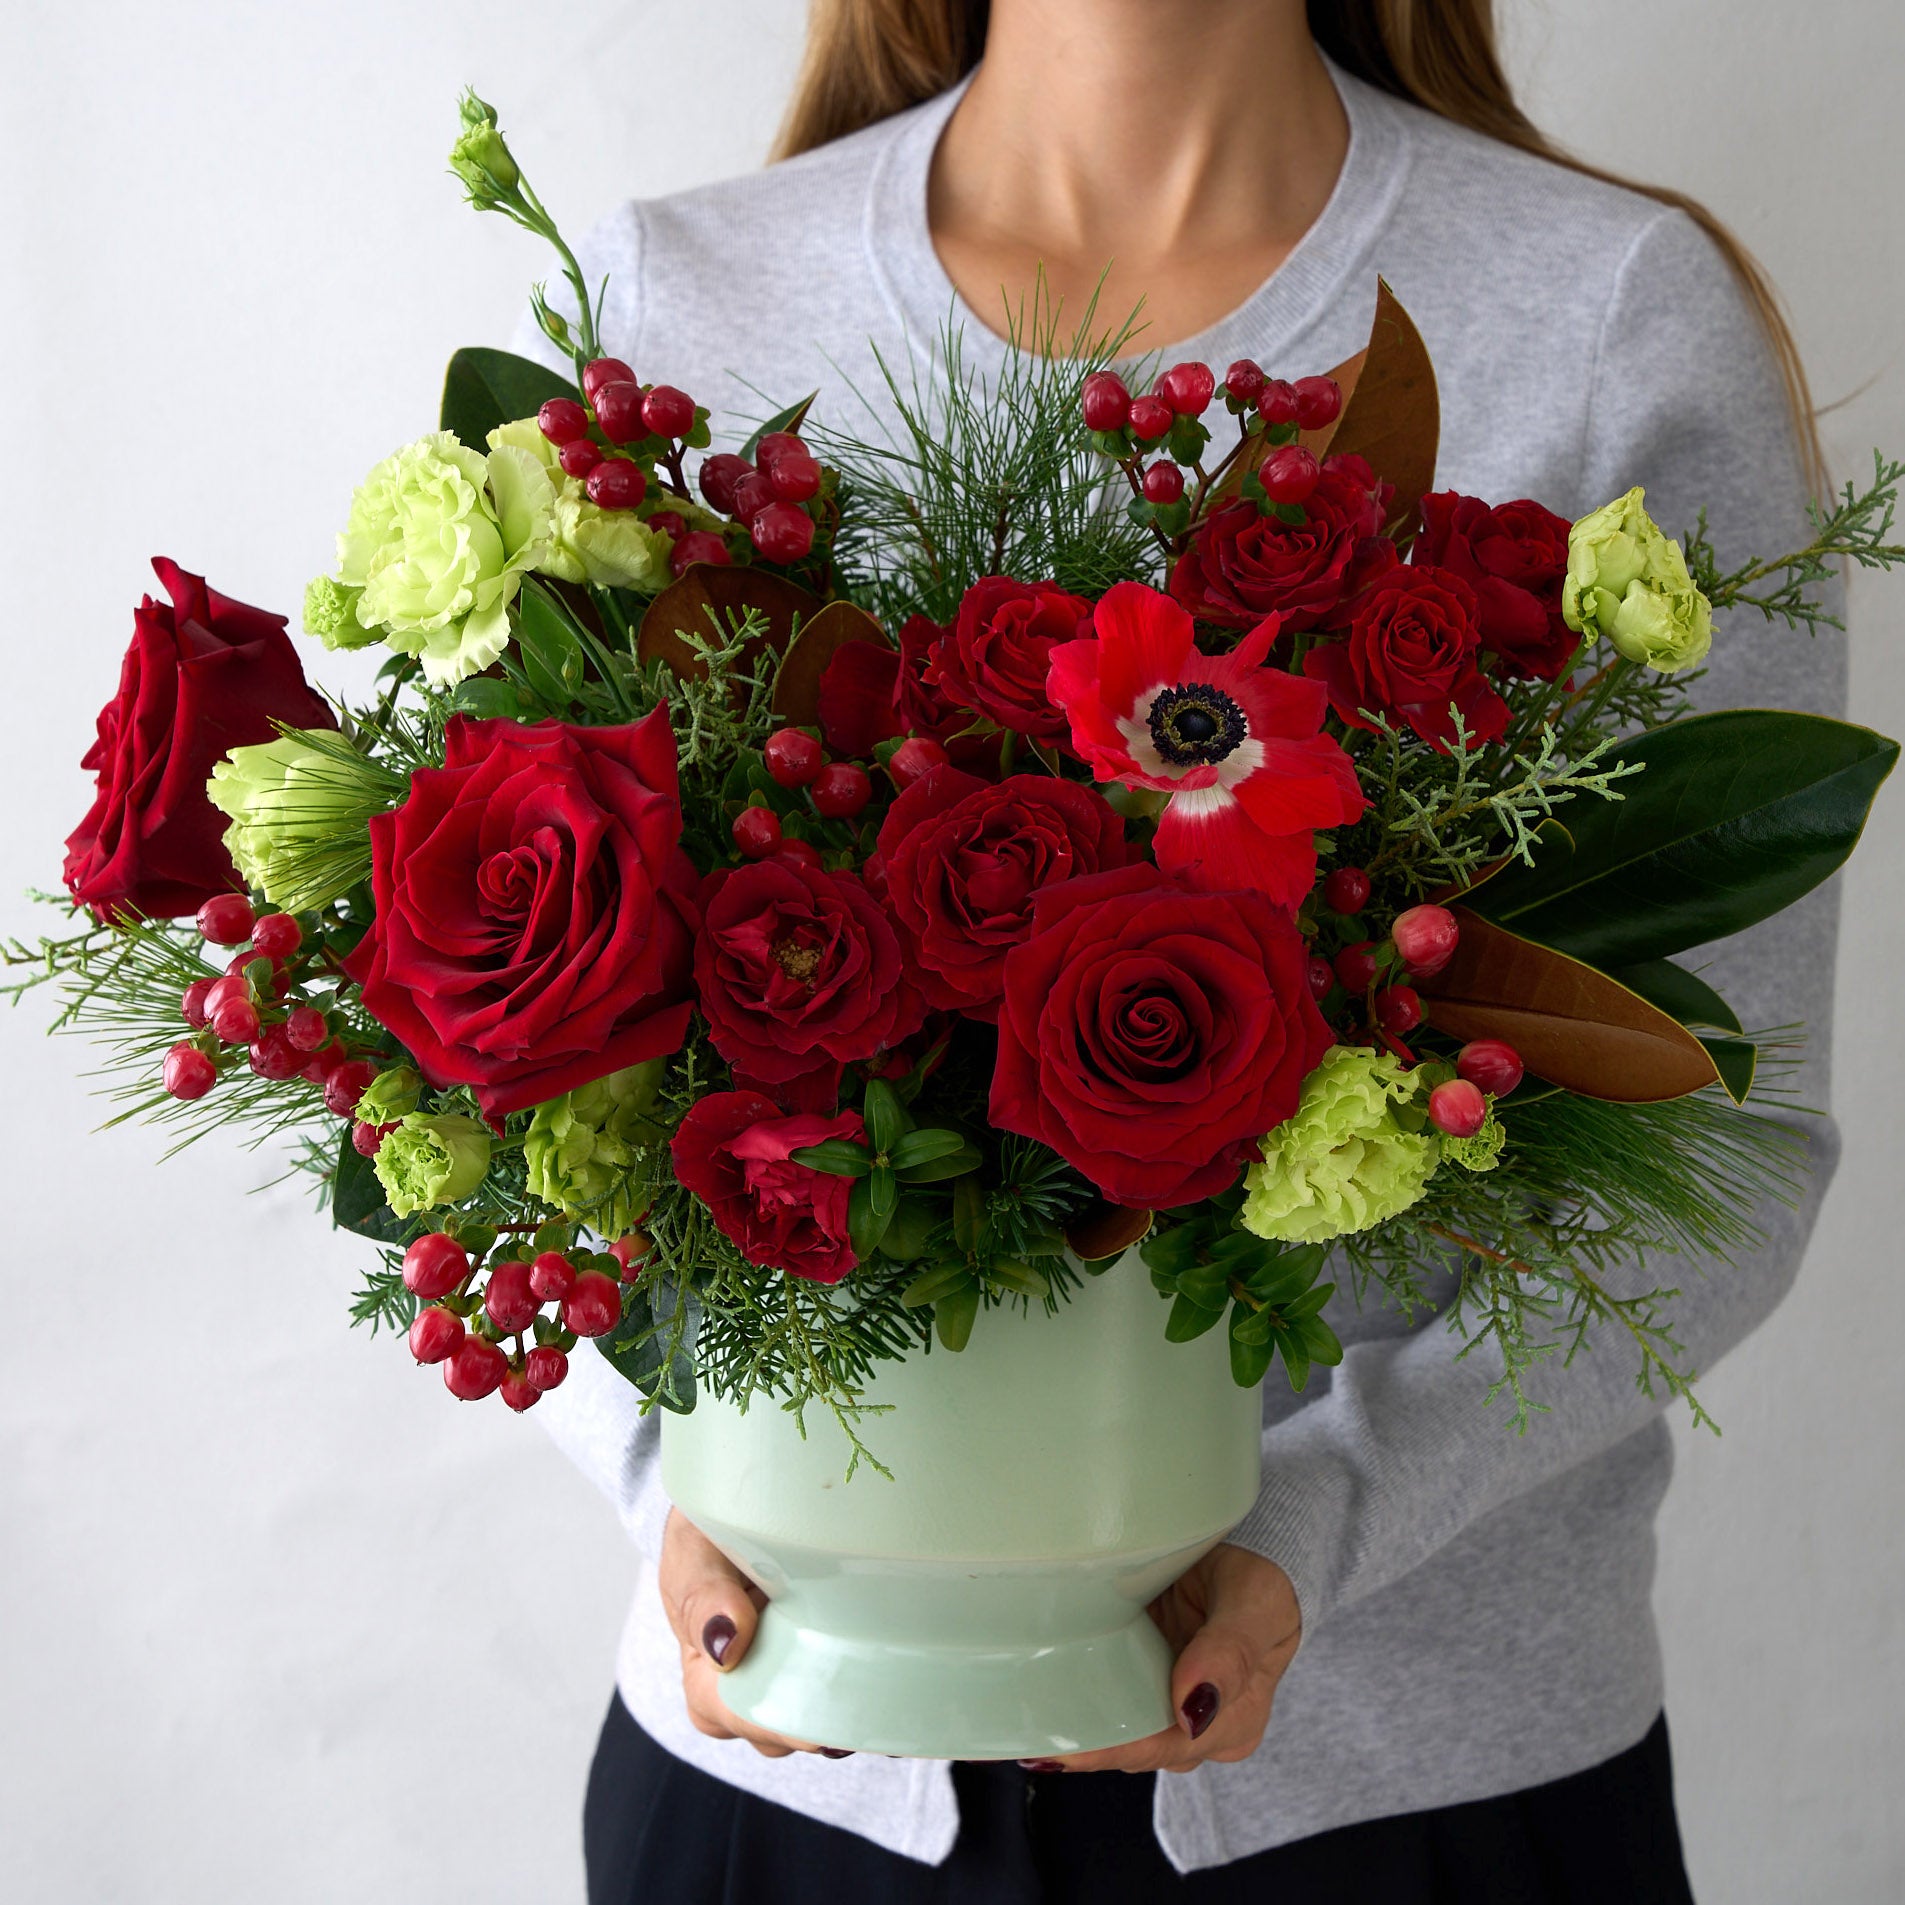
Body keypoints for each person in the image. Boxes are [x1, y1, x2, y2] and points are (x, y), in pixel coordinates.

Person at [527, 3, 1844, 1898]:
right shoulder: (686, 299)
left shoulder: (1610, 310)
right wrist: (679, 1494)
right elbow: (485, 1041)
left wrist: (1310, 1524)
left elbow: (1721, 1147)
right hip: (777, 1797)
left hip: (1409, 1801)